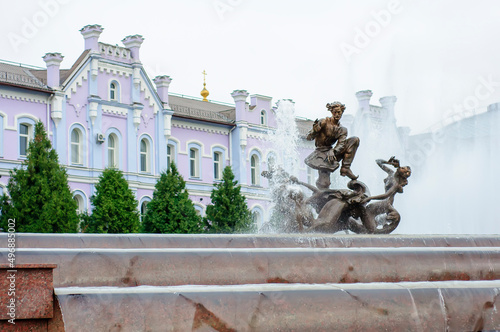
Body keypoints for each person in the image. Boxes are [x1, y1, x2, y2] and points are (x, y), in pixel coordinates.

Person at [305, 102, 360, 183]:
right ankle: (322, 190)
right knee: (324, 181)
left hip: (331, 153)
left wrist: (333, 151)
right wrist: (314, 131)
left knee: (354, 140)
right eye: (335, 112)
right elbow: (308, 138)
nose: (337, 114)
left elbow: (341, 143)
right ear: (331, 112)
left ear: (342, 112)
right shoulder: (323, 122)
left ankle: (345, 168)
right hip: (320, 152)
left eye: (339, 112)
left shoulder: (342, 129)